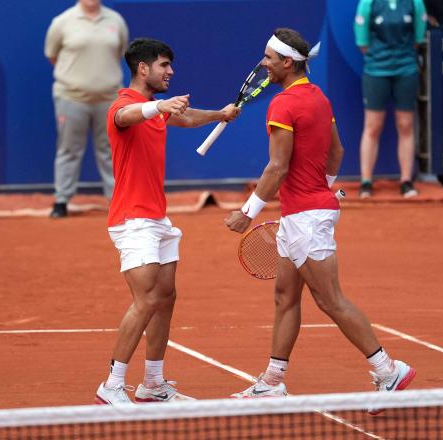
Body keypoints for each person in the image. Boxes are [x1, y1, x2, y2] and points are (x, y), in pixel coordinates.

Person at [225, 28, 416, 413]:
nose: (263, 64)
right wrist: (323, 187)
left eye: (268, 58)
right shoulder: (318, 98)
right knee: (285, 296)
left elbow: (276, 168)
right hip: (305, 211)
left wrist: (247, 213)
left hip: (306, 217)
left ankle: (387, 370)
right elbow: (338, 151)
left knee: (330, 300)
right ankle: (273, 382)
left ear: (287, 63)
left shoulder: (282, 106)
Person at [96, 38, 240, 405]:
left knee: (165, 298)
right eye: (163, 65)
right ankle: (112, 384)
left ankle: (153, 383)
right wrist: (159, 105)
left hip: (157, 218)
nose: (170, 71)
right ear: (143, 69)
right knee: (145, 299)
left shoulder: (156, 109)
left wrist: (219, 115)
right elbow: (125, 117)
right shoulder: (124, 106)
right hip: (132, 220)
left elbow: (186, 117)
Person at [44, 0, 129, 218]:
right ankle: (61, 201)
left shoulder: (116, 20)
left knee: (112, 151)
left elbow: (120, 53)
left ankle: (117, 201)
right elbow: (52, 56)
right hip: (71, 98)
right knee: (68, 149)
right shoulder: (62, 22)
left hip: (110, 99)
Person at [354, 0, 427, 198]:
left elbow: (417, 39)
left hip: (406, 70)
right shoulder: (367, 4)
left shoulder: (415, 3)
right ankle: (366, 182)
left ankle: (406, 181)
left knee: (405, 125)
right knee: (373, 126)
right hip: (376, 71)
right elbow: (363, 43)